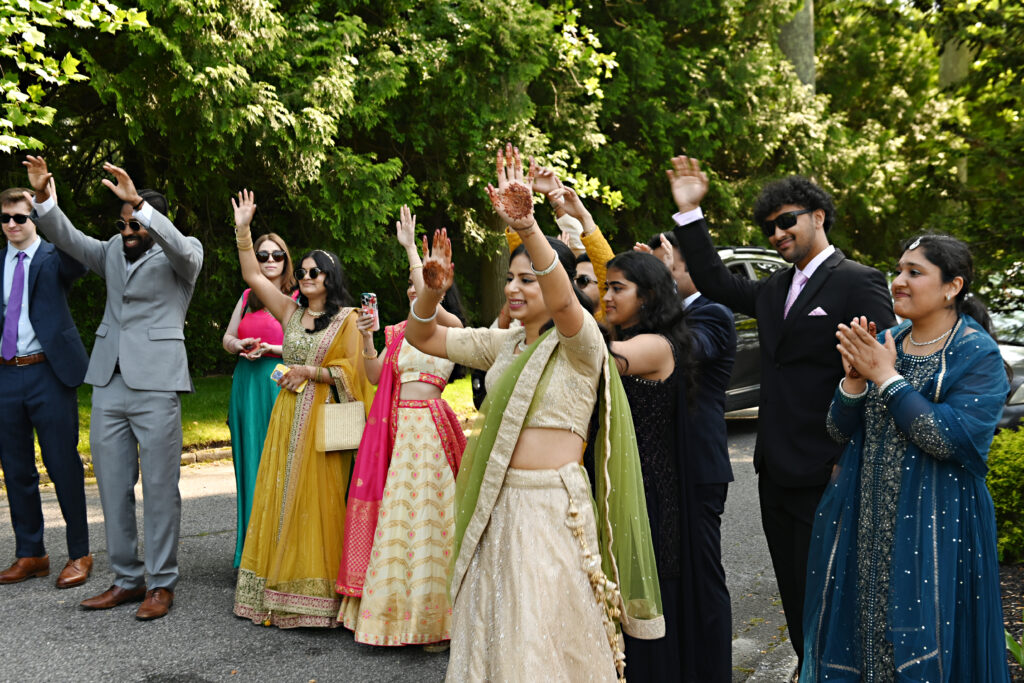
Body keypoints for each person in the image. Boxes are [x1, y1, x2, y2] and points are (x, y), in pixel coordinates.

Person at [405, 146, 663, 681]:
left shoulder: (580, 344)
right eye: (511, 279)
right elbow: (423, 336)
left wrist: (526, 228)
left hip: (551, 508)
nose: (515, 288)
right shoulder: (505, 346)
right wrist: (429, 293)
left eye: (528, 279)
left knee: (542, 633)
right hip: (498, 501)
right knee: (494, 627)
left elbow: (566, 304)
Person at [667, 155, 896, 677]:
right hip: (774, 470)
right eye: (768, 227)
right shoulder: (773, 289)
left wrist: (851, 457)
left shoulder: (858, 281)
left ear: (818, 215)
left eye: (786, 220)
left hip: (830, 469)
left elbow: (883, 374)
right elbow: (714, 281)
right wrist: (690, 214)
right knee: (794, 590)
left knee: (834, 592)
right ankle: (809, 667)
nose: (776, 234)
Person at [802, 234, 1011, 682]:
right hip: (869, 522)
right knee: (868, 643)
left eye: (914, 273)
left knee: (926, 643)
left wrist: (885, 376)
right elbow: (838, 431)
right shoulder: (889, 340)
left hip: (939, 526)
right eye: (898, 270)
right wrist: (855, 382)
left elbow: (945, 438)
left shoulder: (975, 353)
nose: (898, 281)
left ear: (952, 287)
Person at [24, 156, 203, 621]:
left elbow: (181, 249)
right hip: (107, 382)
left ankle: (161, 584)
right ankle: (126, 578)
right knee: (111, 487)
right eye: (122, 224)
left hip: (157, 384)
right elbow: (68, 238)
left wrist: (138, 204)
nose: (126, 232)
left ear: (150, 221)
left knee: (161, 489)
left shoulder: (183, 256)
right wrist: (44, 197)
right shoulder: (109, 251)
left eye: (134, 224)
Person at [229, 190, 374, 629]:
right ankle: (275, 589)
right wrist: (243, 229)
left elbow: (357, 375)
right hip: (287, 417)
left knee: (321, 502)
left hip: (325, 422)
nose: (307, 276)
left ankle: (321, 594)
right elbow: (254, 274)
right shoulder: (290, 311)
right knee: (280, 496)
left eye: (315, 271)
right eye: (304, 271)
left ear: (330, 277)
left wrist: (312, 371)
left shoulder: (348, 319)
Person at [336, 207, 467, 647]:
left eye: (424, 286)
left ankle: (439, 622)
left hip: (429, 432)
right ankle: (392, 617)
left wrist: (413, 250)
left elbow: (433, 311)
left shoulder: (450, 329)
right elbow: (374, 377)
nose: (417, 291)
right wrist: (370, 337)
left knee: (431, 519)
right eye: (413, 286)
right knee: (398, 521)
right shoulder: (397, 332)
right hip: (396, 433)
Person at [638, 232, 738, 682]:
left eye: (670, 264)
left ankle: (712, 670)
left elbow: (683, 351)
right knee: (669, 573)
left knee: (703, 576)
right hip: (661, 466)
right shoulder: (663, 316)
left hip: (698, 466)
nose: (668, 270)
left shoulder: (712, 314)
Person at [601, 249, 696, 681]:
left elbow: (598, 358)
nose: (606, 296)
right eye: (604, 286)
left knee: (644, 600)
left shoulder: (655, 346)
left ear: (649, 295)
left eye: (618, 288)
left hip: (649, 494)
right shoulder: (621, 336)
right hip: (613, 486)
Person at [0, 185, 92, 590]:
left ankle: (80, 552)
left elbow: (81, 261)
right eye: (4, 218)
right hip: (6, 375)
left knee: (62, 465)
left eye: (20, 217)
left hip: (49, 373)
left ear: (33, 219)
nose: (12, 225)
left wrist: (48, 204)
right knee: (16, 468)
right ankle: (31, 553)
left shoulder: (57, 257)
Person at [222, 232, 296, 568]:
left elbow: (310, 345)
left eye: (276, 255)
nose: (269, 261)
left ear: (286, 259)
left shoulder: (297, 295)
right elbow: (227, 337)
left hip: (279, 383)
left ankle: (280, 555)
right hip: (247, 385)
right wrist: (238, 346)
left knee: (281, 466)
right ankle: (249, 555)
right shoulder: (248, 294)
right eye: (262, 255)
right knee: (250, 464)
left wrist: (272, 350)